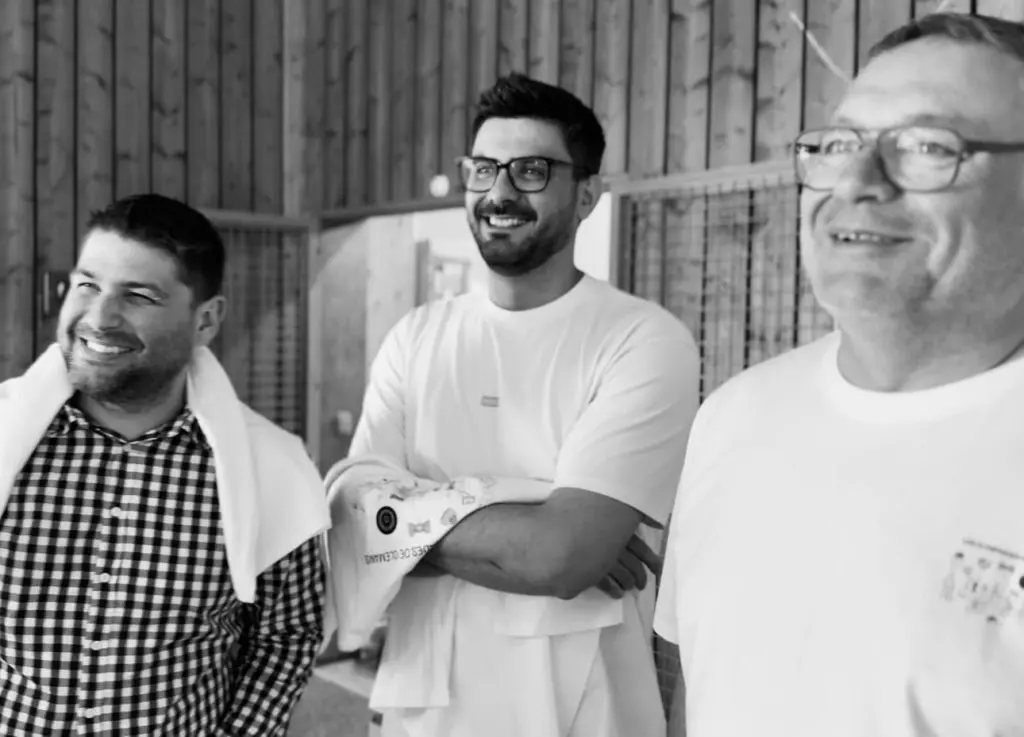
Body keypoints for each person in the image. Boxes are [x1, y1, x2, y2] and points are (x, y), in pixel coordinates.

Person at [654, 12, 1024, 737]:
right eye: (837, 144)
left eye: (927, 145)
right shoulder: (734, 415)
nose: (854, 181)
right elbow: (696, 683)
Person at [324, 74, 700, 737]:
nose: (498, 192)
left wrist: (401, 526)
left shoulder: (642, 339)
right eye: (483, 169)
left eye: (530, 170)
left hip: (583, 710)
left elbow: (560, 558)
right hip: (422, 709)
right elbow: (349, 521)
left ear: (586, 194)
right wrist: (527, 513)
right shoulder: (416, 335)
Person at [0, 194, 330, 735]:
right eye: (87, 285)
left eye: (138, 295)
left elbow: (285, 636)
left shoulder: (273, 469)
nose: (99, 318)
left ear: (206, 320)